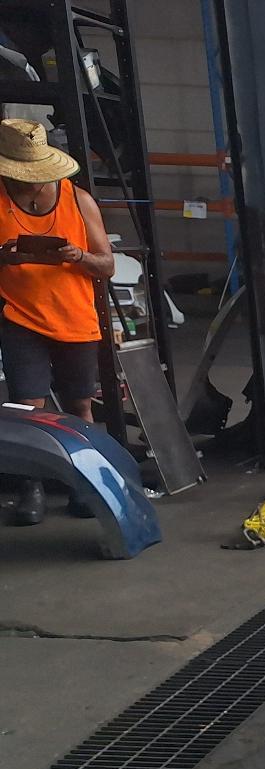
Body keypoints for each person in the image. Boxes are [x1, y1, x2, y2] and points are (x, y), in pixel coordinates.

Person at [0, 118, 113, 525]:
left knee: (80, 406)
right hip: (20, 317)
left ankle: (86, 485)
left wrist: (77, 256)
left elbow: (107, 265)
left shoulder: (77, 200)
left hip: (74, 318)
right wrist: (5, 257)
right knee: (28, 408)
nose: (29, 185)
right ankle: (33, 489)